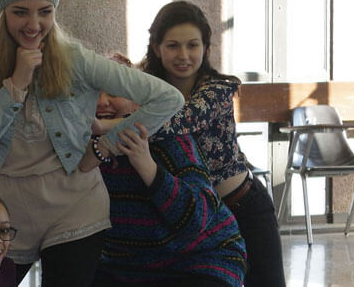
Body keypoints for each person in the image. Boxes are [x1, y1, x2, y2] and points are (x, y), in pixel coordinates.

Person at [0, 0, 184, 287]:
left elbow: (167, 99)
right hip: (2, 211)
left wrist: (103, 148)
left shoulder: (75, 59)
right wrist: (15, 85)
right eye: (20, 12)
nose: (34, 25)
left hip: (73, 209)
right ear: (2, 12)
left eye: (45, 12)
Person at [140, 1, 285, 286]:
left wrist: (114, 127)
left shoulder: (217, 89)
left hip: (243, 208)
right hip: (190, 220)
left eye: (192, 45)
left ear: (206, 48)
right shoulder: (147, 90)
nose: (183, 55)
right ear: (157, 48)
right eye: (173, 46)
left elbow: (179, 123)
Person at [89, 60, 247, 287]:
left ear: (137, 102)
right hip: (125, 265)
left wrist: (147, 166)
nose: (102, 102)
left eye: (115, 93)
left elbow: (197, 218)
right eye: (93, 93)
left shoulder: (169, 139)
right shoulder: (79, 144)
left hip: (200, 259)